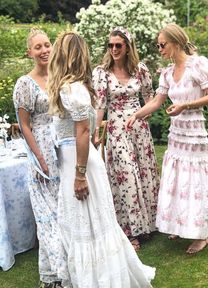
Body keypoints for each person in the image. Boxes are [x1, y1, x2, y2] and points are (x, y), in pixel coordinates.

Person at [47, 31, 156, 288]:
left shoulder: (73, 90)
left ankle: (102, 279)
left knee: (93, 223)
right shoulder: (71, 87)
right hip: (73, 161)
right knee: (85, 223)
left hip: (80, 164)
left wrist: (80, 174)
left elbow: (83, 132)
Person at [126, 23, 208, 254]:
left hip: (194, 133)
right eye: (158, 45)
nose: (159, 49)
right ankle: (178, 223)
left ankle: (201, 234)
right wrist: (136, 115)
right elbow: (157, 101)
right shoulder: (167, 73)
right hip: (176, 134)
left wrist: (185, 105)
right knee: (177, 179)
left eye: (162, 44)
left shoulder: (198, 65)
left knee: (195, 181)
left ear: (176, 43)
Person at [92, 27, 159, 251]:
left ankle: (149, 224)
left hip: (139, 130)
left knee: (144, 173)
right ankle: (130, 231)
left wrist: (143, 115)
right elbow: (100, 106)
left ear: (128, 47)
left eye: (118, 45)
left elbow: (150, 99)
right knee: (126, 176)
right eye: (110, 45)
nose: (113, 49)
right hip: (117, 130)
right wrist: (94, 133)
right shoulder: (102, 72)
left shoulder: (141, 70)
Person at [13, 28, 62, 288]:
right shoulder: (24, 83)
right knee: (47, 216)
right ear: (29, 52)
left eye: (47, 45)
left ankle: (59, 271)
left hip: (62, 150)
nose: (44, 50)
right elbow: (24, 125)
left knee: (64, 214)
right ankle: (57, 273)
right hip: (40, 152)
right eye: (38, 47)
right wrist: (40, 159)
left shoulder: (59, 77)